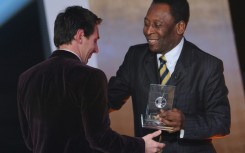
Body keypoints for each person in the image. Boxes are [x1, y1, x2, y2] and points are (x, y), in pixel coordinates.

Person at [17, 5, 165, 153]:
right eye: (95, 40)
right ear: (80, 35)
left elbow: (31, 140)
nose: (96, 49)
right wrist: (140, 145)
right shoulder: (90, 77)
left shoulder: (26, 78)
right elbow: (101, 139)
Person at [108, 0, 231, 152]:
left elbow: (221, 122)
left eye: (157, 25)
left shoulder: (208, 66)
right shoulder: (135, 57)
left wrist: (185, 123)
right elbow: (110, 99)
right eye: (146, 23)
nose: (148, 31)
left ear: (180, 27)